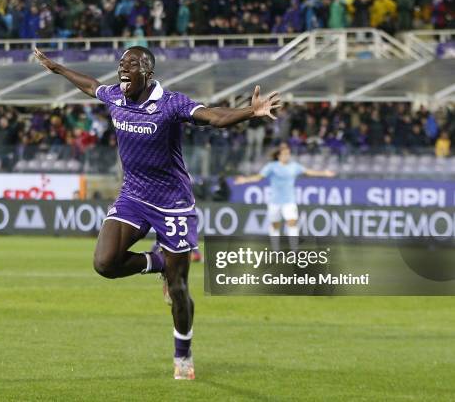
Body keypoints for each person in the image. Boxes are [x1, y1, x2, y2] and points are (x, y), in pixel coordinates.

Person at [34, 46, 280, 380]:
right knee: (104, 263)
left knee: (179, 289)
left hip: (172, 204)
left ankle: (183, 353)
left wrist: (249, 112)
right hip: (133, 196)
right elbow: (92, 86)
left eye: (131, 65)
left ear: (148, 72)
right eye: (120, 64)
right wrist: (58, 68)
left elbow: (214, 117)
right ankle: (158, 262)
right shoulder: (117, 97)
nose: (123, 71)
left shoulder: (170, 104)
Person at [235, 144, 334, 250]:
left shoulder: (294, 166)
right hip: (274, 201)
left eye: (288, 154)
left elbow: (309, 172)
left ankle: (294, 250)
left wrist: (324, 173)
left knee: (292, 222)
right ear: (279, 156)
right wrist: (245, 180)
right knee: (275, 226)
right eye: (285, 154)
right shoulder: (271, 166)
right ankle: (275, 249)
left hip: (289, 201)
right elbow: (259, 177)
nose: (287, 156)